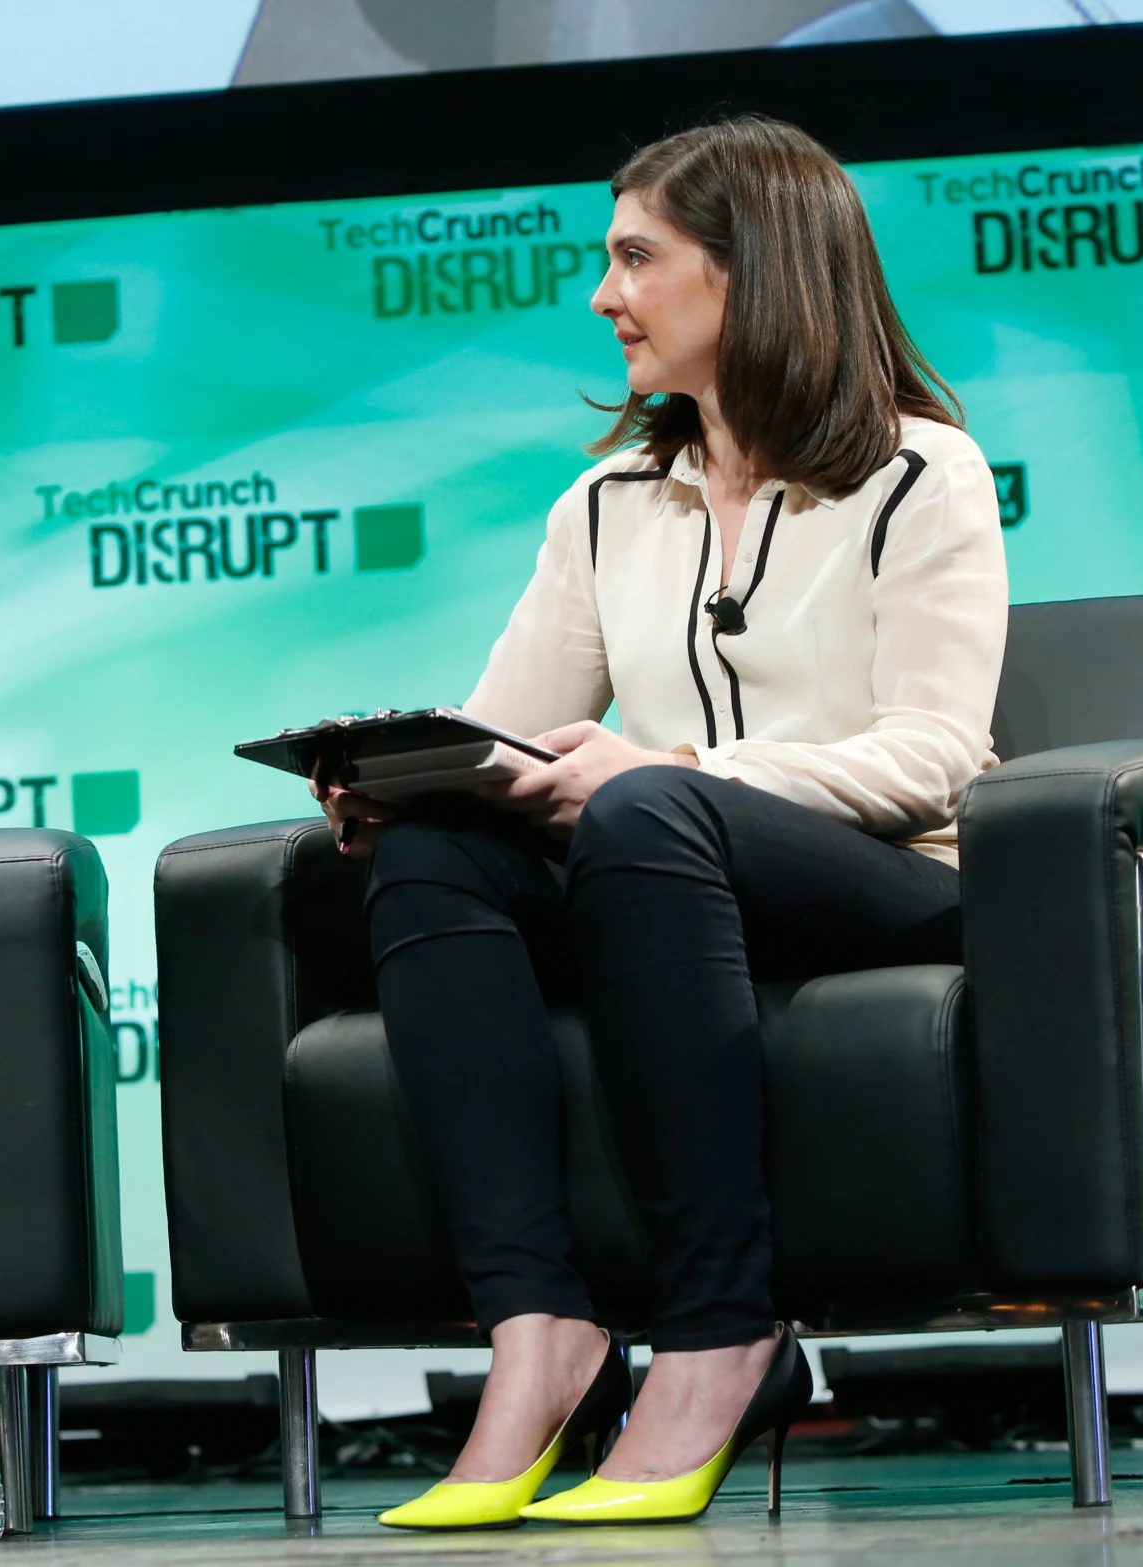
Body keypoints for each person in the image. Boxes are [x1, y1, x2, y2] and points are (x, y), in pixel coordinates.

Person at [319, 117, 1007, 1529]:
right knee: (441, 847)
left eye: (634, 258)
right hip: (658, 871)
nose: (601, 294)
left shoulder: (921, 475)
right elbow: (499, 737)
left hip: (886, 879)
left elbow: (935, 756)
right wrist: (398, 784)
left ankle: (720, 1331)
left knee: (641, 806)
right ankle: (538, 1332)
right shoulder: (602, 505)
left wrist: (678, 769)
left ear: (749, 272)